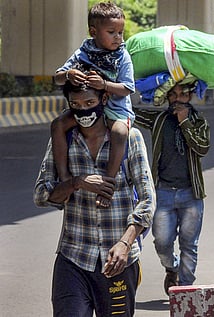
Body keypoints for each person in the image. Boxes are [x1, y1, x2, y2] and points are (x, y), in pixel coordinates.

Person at [33, 81, 155, 316]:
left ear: (104, 101)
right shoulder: (63, 141)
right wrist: (76, 182)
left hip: (118, 262)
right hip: (73, 258)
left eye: (90, 103)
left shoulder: (130, 138)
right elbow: (41, 194)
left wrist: (125, 243)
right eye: (76, 105)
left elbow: (148, 200)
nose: (84, 111)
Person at [53, 2, 135, 208]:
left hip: (116, 110)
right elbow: (57, 78)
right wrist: (69, 74)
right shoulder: (84, 51)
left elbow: (127, 88)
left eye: (120, 32)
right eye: (112, 32)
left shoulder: (122, 56)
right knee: (58, 125)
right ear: (93, 32)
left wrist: (105, 84)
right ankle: (63, 176)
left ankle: (108, 185)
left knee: (119, 134)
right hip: (86, 108)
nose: (118, 37)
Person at [133, 79, 210, 294]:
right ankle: (171, 267)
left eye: (182, 95)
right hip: (163, 193)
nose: (177, 99)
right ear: (167, 97)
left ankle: (185, 290)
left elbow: (202, 148)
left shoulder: (198, 121)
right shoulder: (159, 119)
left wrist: (185, 122)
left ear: (190, 96)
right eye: (173, 95)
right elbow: (132, 113)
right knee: (162, 242)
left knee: (189, 245)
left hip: (191, 194)